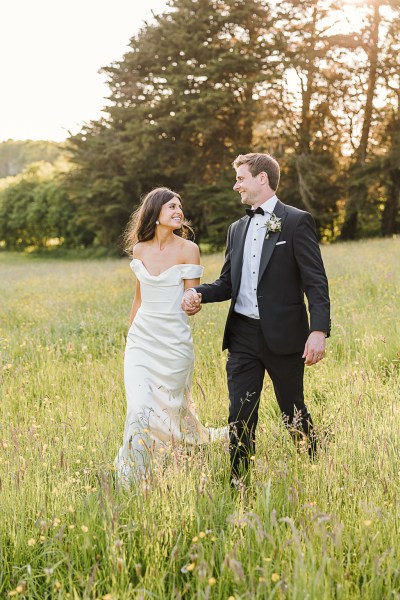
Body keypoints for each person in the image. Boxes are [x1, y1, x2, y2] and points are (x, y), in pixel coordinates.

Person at [182, 153, 330, 485]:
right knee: (240, 414)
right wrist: (198, 294)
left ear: (261, 179)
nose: (236, 186)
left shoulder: (295, 221)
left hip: (284, 335)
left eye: (240, 178)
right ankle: (238, 482)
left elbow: (315, 282)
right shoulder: (236, 229)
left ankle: (316, 469)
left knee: (292, 410)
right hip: (243, 336)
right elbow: (227, 283)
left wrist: (318, 330)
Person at [116, 187, 227, 482]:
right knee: (139, 407)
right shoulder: (140, 249)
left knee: (172, 409)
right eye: (171, 207)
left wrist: (193, 303)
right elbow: (138, 299)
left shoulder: (188, 250)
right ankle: (134, 475)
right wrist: (130, 340)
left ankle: (180, 454)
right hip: (142, 341)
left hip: (174, 343)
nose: (179, 211)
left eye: (180, 207)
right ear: (155, 213)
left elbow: (193, 296)